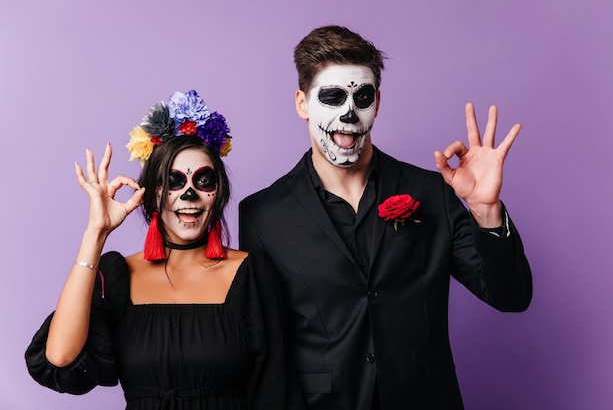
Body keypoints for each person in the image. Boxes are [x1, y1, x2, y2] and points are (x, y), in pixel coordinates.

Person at [238, 25, 532, 410]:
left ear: (377, 101)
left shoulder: (432, 192)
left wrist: (486, 209)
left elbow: (511, 297)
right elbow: (264, 345)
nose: (349, 112)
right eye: (331, 97)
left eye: (362, 97)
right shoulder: (262, 214)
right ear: (302, 103)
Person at [25, 90, 305, 410]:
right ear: (154, 193)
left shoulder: (251, 274)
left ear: (218, 192)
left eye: (203, 181)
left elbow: (275, 391)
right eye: (174, 181)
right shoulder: (119, 275)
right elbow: (60, 359)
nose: (189, 195)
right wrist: (95, 234)